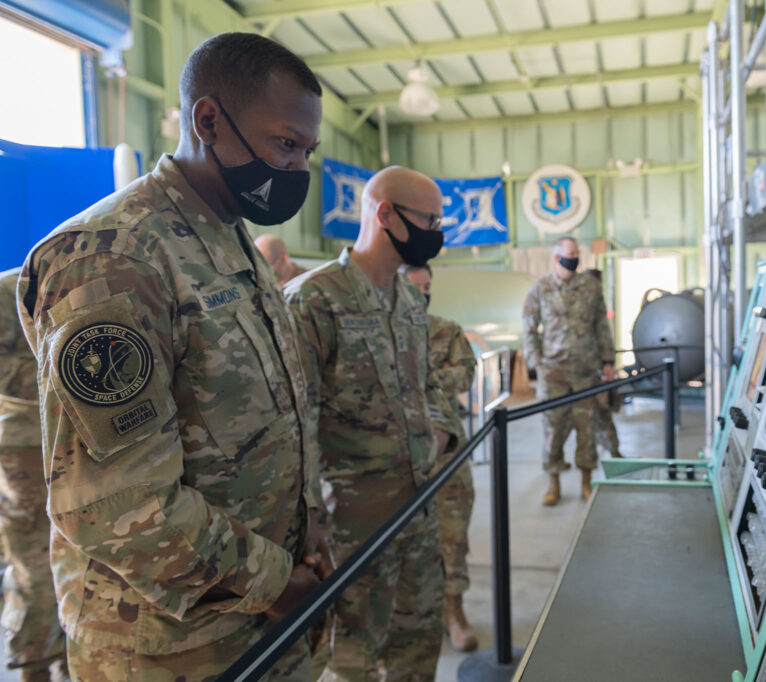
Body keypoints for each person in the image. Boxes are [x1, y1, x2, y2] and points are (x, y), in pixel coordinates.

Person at [16, 32, 331, 681]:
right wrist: (274, 580)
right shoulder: (115, 258)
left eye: (307, 151)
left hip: (259, 619)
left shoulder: (229, 239)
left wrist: (308, 535)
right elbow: (114, 506)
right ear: (208, 121)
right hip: (167, 648)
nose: (297, 169)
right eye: (285, 144)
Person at [285, 166, 459, 681]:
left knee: (417, 645)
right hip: (351, 527)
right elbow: (296, 422)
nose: (437, 232)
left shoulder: (408, 299)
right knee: (350, 657)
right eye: (430, 220)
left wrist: (441, 432)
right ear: (385, 214)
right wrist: (310, 527)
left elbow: (430, 383)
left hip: (418, 509)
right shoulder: (312, 300)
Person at [402, 264, 479, 652]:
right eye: (416, 286)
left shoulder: (446, 330)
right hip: (396, 456)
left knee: (452, 536)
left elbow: (466, 374)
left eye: (428, 286)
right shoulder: (379, 332)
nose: (423, 292)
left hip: (446, 455)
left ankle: (454, 613)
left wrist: (422, 380)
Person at [0, 270, 68, 682]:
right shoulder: (10, 290)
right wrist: (54, 376)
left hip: (66, 438)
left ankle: (63, 662)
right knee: (34, 559)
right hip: (24, 443)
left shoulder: (59, 280)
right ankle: (32, 666)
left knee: (71, 553)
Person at [523, 238, 616, 505]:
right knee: (553, 429)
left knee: (586, 428)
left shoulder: (590, 286)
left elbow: (601, 325)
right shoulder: (541, 288)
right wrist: (537, 363)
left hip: (586, 371)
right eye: (569, 254)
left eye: (576, 253)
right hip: (553, 373)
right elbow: (529, 328)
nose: (574, 258)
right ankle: (554, 484)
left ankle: (586, 482)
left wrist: (607, 360)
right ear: (556, 257)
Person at [583, 268, 624, 459]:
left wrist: (608, 362)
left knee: (603, 411)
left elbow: (604, 335)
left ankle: (613, 450)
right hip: (580, 370)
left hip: (597, 369)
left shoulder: (597, 307)